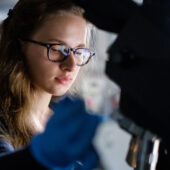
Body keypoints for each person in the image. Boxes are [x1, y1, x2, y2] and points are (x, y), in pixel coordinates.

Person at [0, 0, 105, 169]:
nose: (71, 65)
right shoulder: (3, 121)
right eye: (57, 49)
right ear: (21, 44)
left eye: (79, 51)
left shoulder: (64, 123)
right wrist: (37, 158)